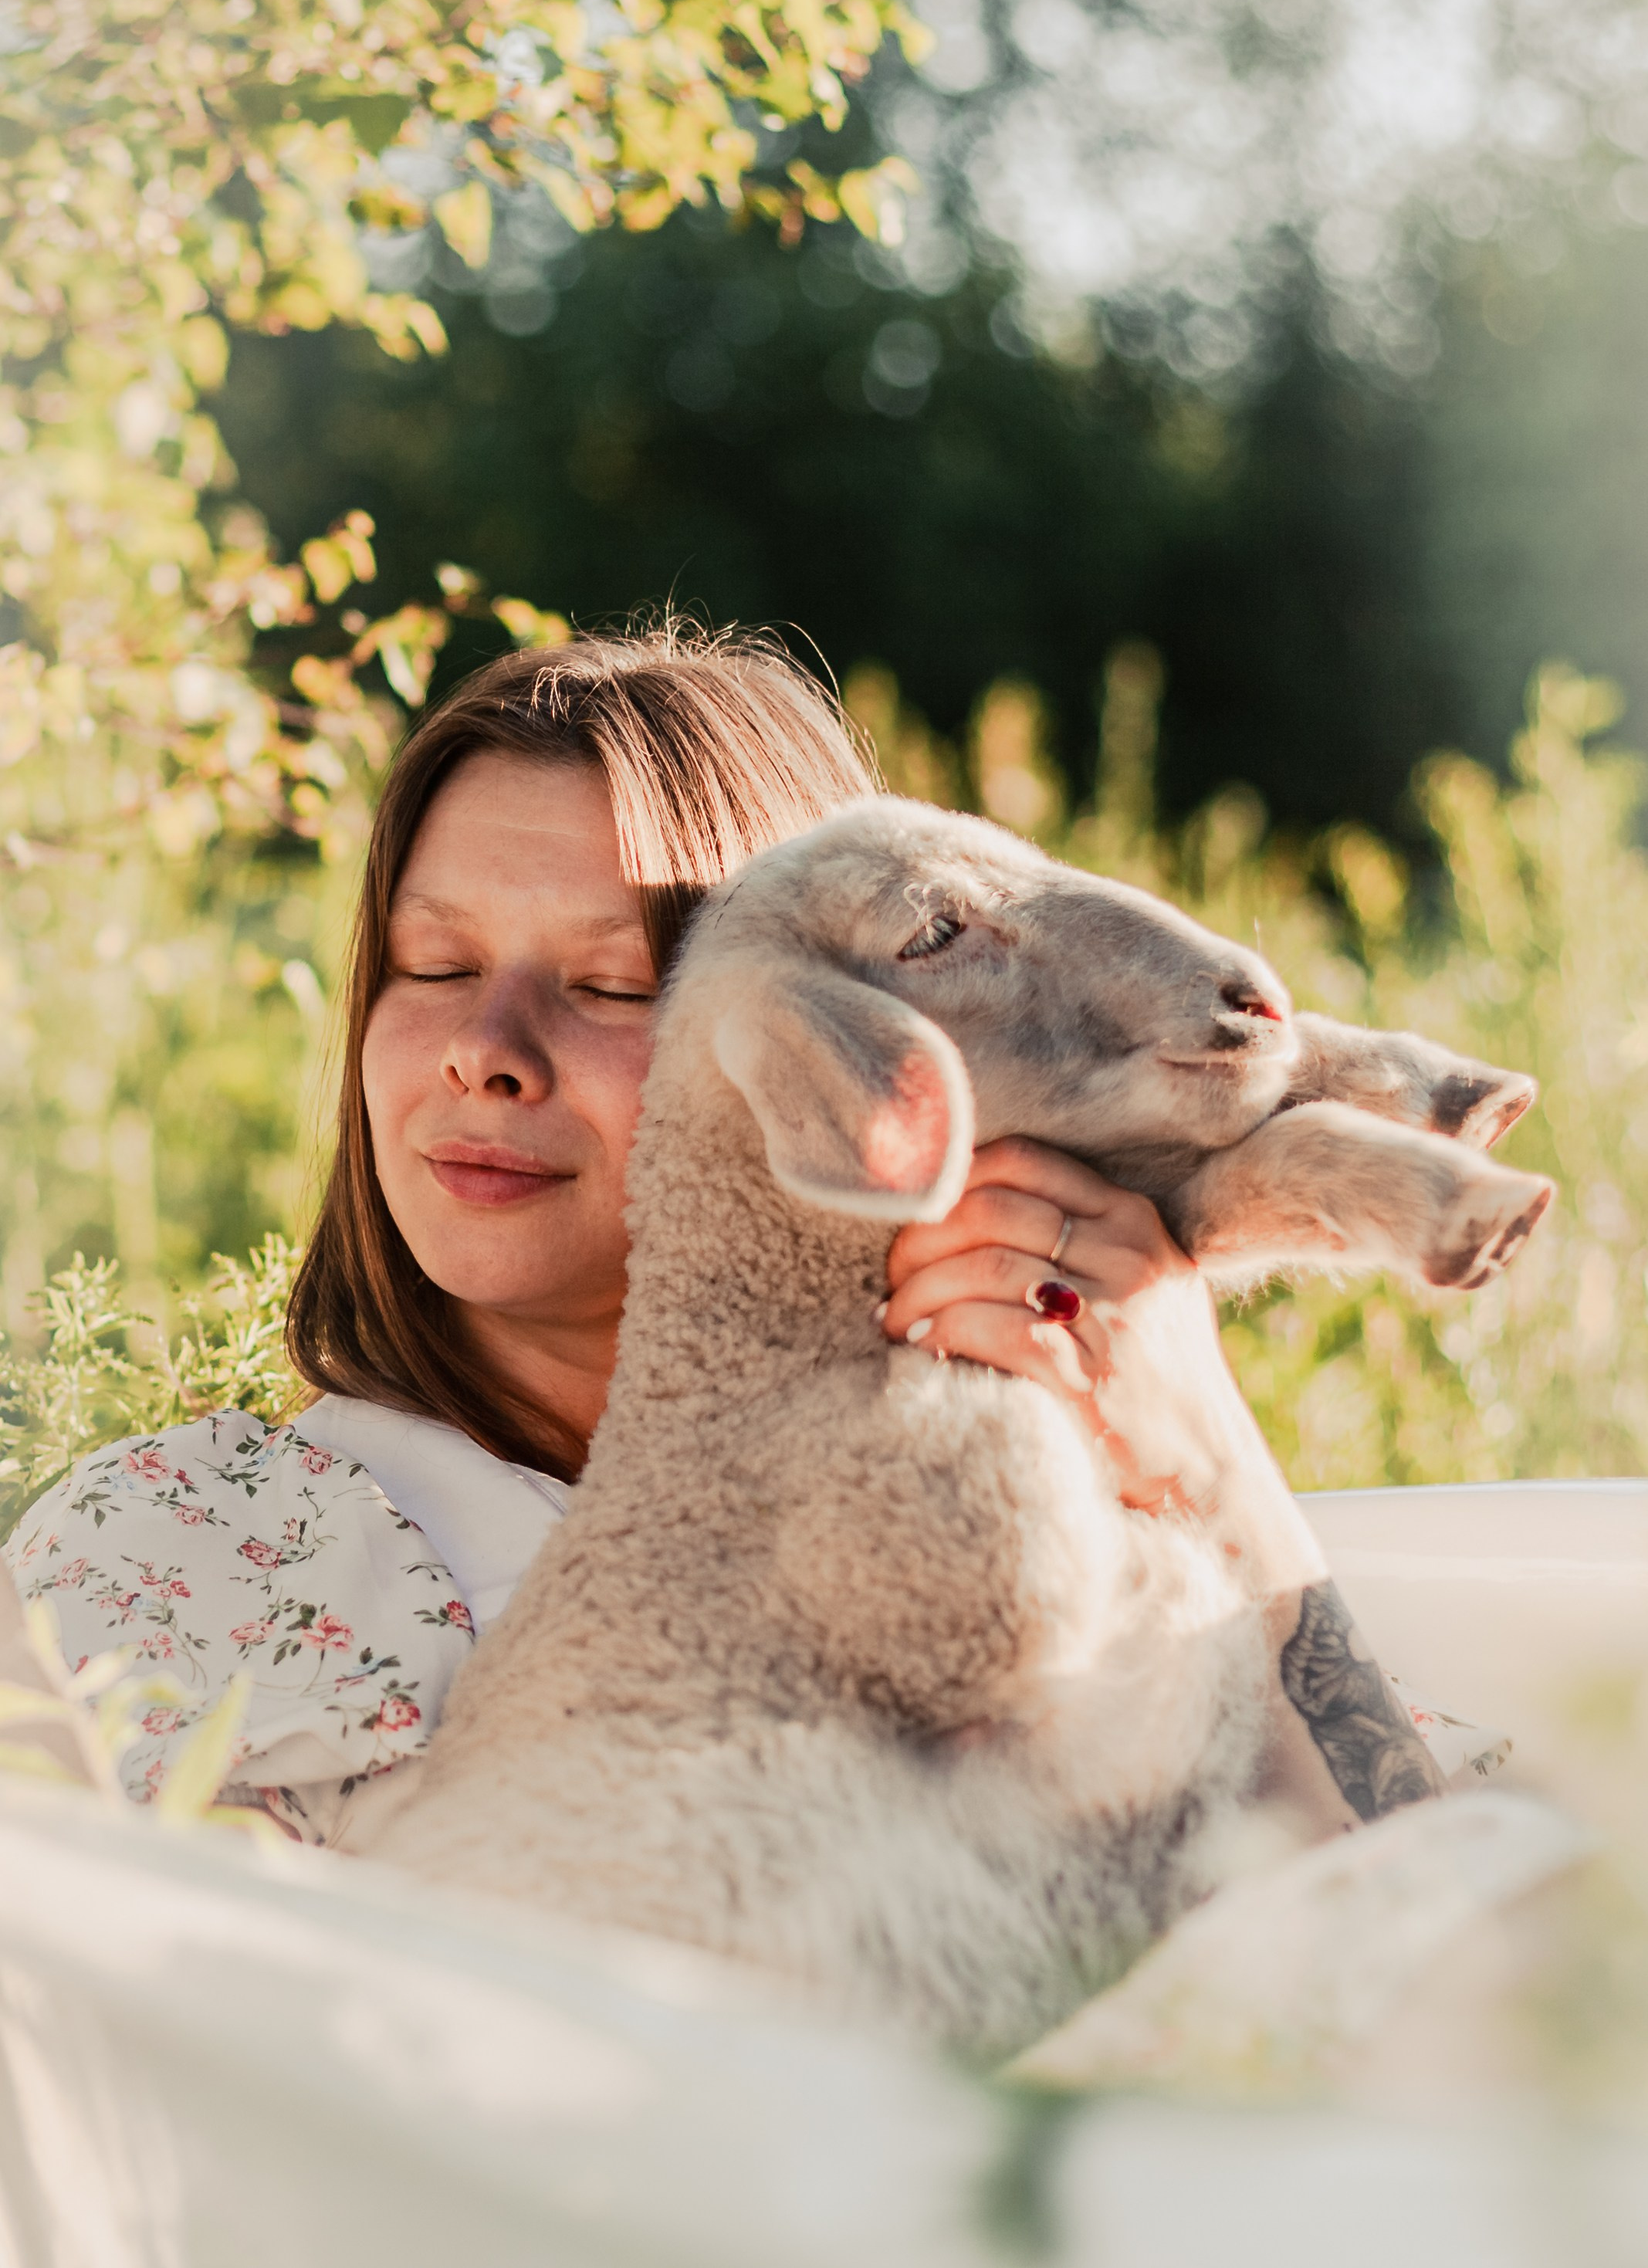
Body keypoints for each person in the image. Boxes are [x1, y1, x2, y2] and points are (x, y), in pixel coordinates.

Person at [2, 626, 1442, 1848]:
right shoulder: (188, 1549)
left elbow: (1457, 1993)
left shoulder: (1076, 1564)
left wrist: (1207, 1467)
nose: (484, 1053)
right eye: (433, 965)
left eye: (613, 985)